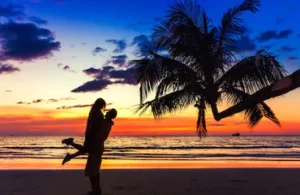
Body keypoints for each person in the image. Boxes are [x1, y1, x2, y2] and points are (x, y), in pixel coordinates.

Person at [62, 98, 115, 195]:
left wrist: (89, 138)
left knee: (92, 167)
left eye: (108, 111)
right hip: (96, 144)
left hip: (96, 144)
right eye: (105, 107)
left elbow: (95, 130)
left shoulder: (98, 115)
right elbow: (95, 128)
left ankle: (96, 190)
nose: (105, 110)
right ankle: (96, 189)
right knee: (93, 167)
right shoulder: (100, 116)